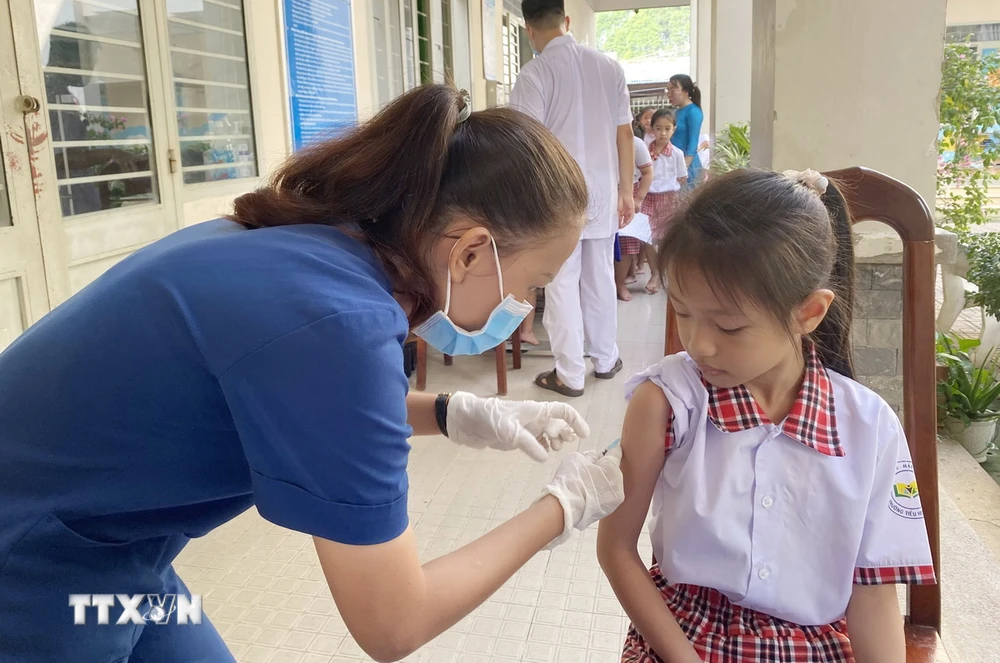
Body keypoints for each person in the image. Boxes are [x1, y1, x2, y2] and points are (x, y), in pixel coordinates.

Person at [0, 85, 627, 663]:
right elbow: (394, 622)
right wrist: (563, 507)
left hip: (119, 547)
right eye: (533, 286)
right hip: (35, 569)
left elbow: (299, 401)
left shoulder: (322, 246)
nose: (523, 313)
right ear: (469, 251)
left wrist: (451, 413)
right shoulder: (339, 320)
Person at [597, 169, 935, 663]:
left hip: (814, 644)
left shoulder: (870, 427)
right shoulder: (666, 403)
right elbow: (617, 549)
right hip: (683, 640)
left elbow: (873, 593)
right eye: (684, 312)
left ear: (809, 312)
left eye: (729, 326)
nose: (698, 343)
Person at [509, 0, 635, 399]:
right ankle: (605, 358)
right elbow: (625, 135)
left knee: (562, 283)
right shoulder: (609, 66)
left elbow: (525, 144)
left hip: (556, 194)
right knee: (599, 275)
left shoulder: (534, 73)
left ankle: (569, 374)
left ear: (528, 29)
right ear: (566, 20)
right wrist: (627, 191)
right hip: (602, 191)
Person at [640, 109, 686, 295]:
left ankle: (667, 273)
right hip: (647, 197)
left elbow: (682, 177)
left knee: (666, 238)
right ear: (652, 129)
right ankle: (655, 273)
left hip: (668, 198)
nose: (663, 133)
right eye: (658, 128)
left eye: (667, 128)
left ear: (674, 129)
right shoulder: (644, 150)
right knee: (648, 237)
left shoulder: (676, 154)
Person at [616, 135, 653, 301]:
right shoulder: (597, 137)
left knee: (627, 242)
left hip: (629, 191)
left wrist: (638, 198)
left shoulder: (635, 143)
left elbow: (647, 172)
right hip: (602, 191)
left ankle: (620, 285)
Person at [666, 74, 704, 186]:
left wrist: (683, 170)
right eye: (668, 90)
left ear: (686, 91)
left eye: (673, 89)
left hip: (688, 166)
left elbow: (693, 143)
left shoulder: (693, 111)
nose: (669, 93)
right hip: (674, 164)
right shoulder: (675, 112)